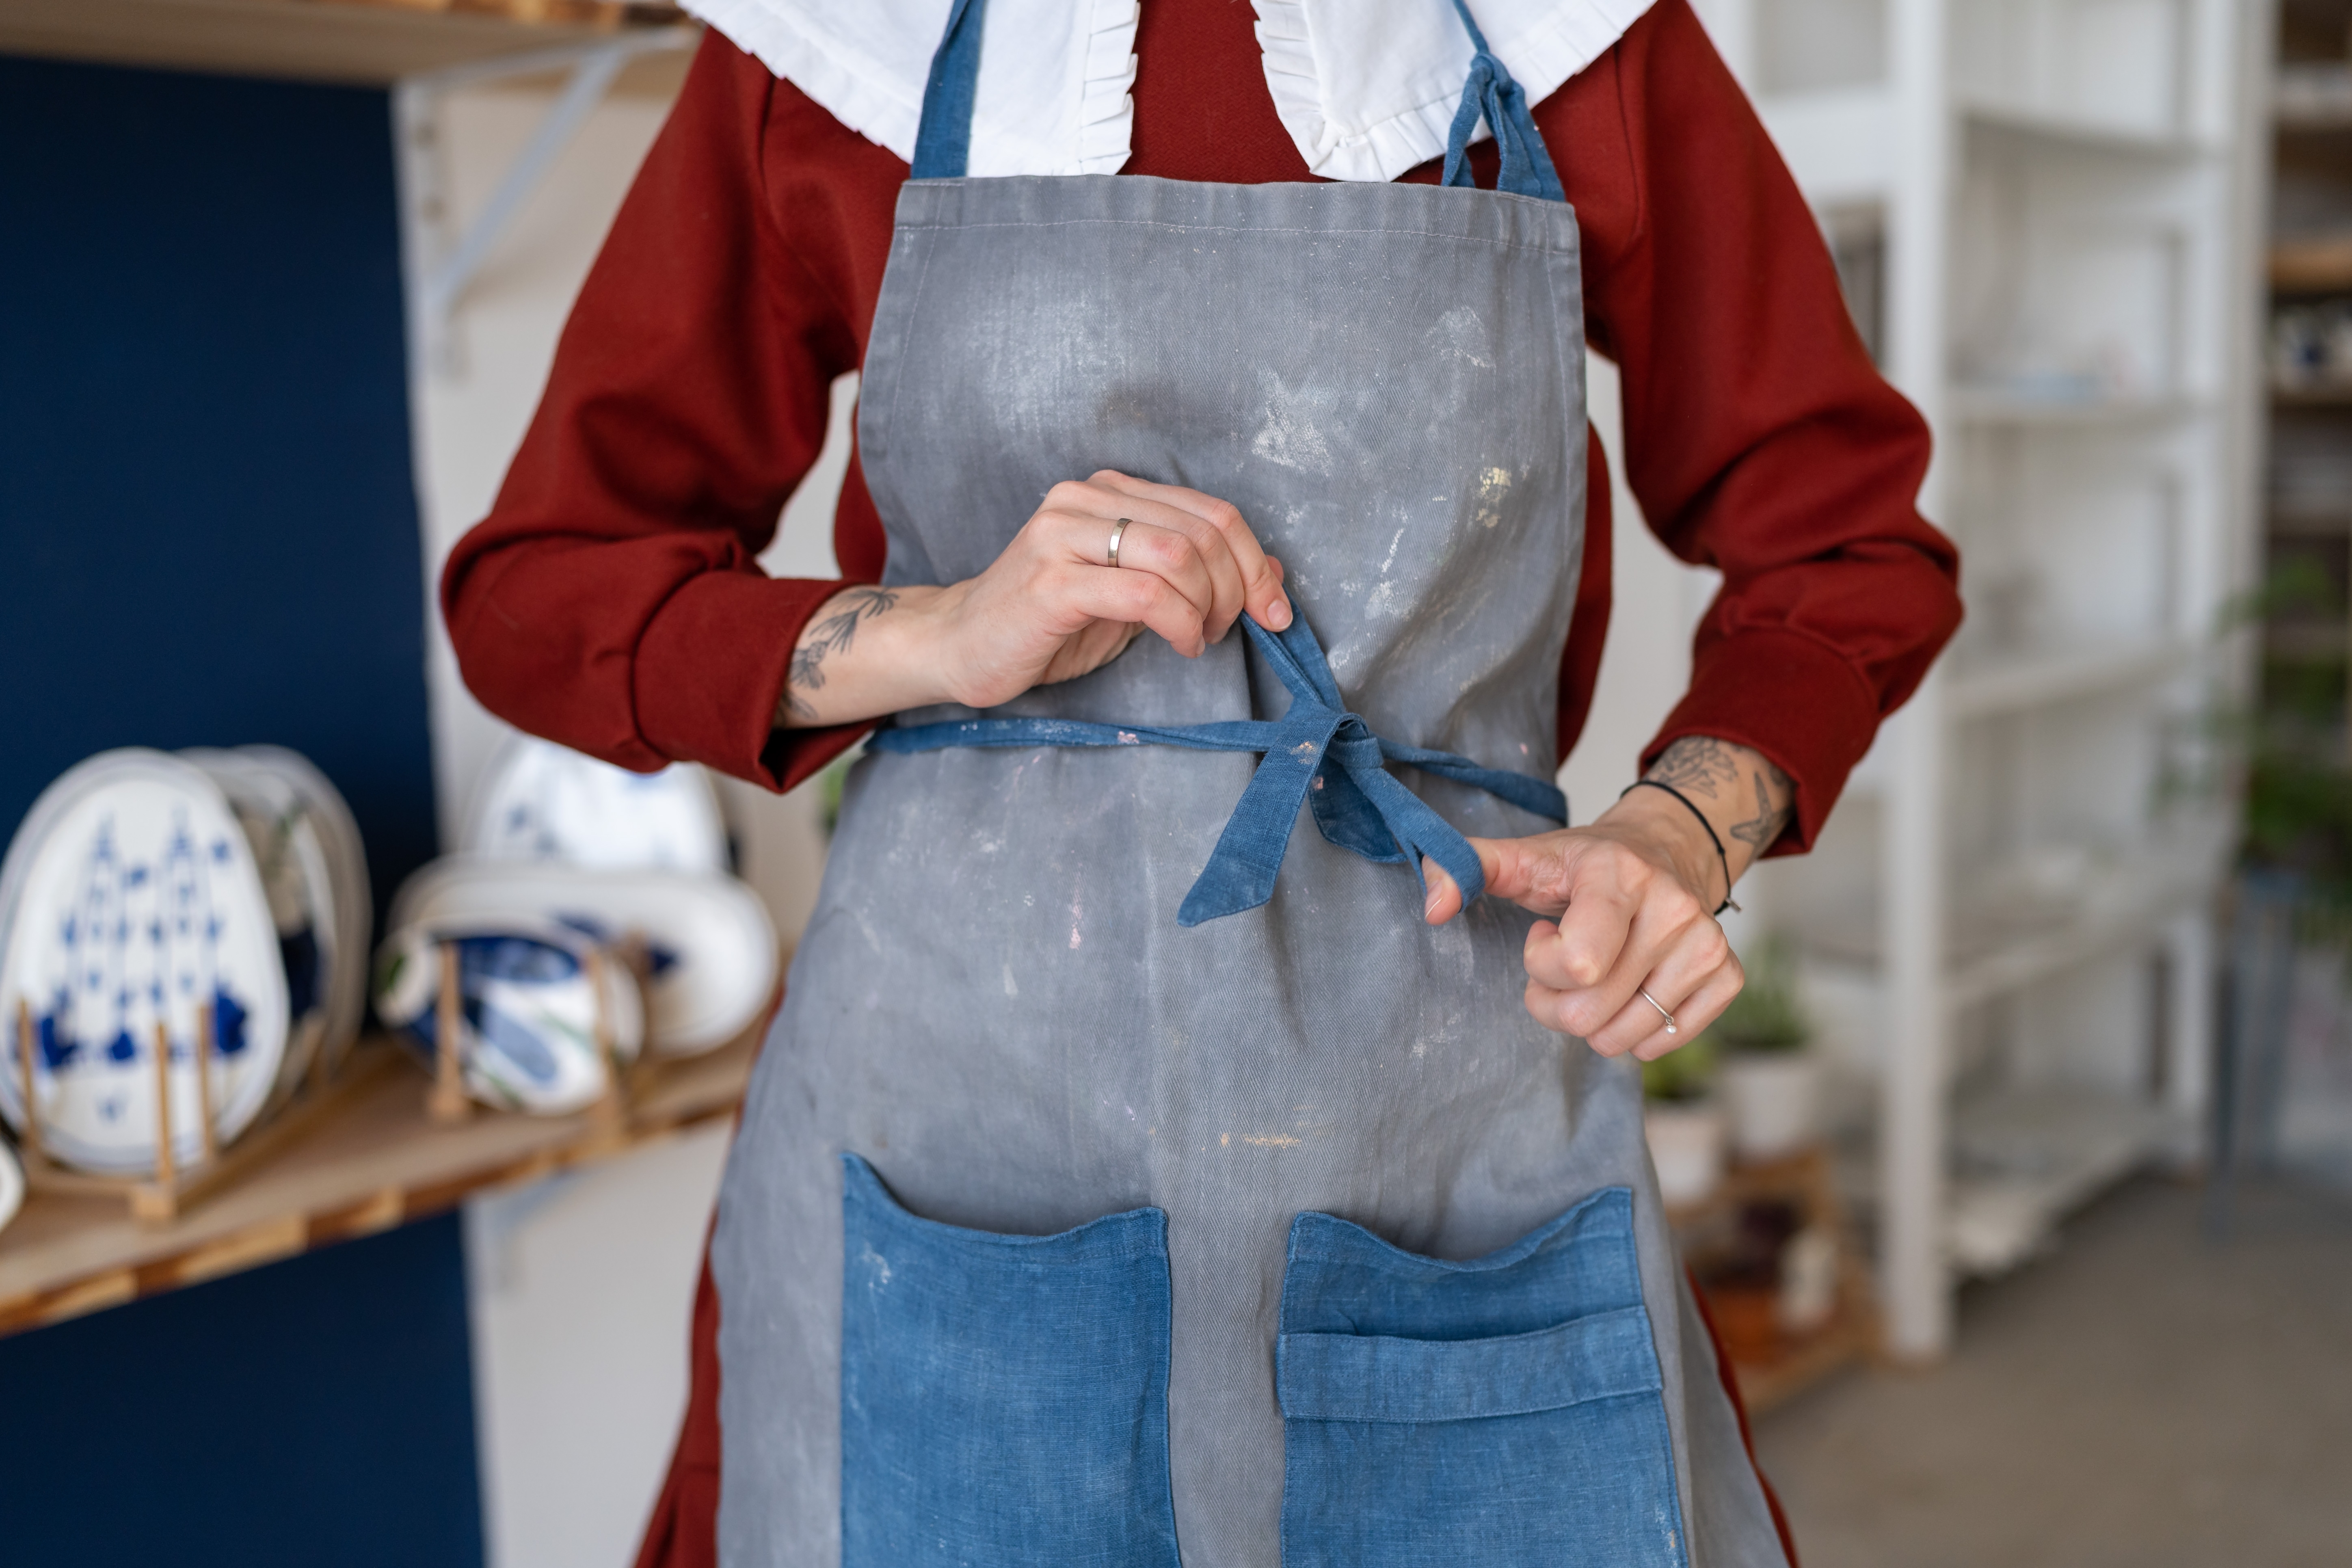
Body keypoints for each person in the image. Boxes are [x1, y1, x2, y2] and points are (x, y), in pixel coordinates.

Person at [444, 1, 1960, 1563]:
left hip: (1450, 1136)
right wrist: (939, 635)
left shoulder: (1575, 37)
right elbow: (541, 591)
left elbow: (1844, 547)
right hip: (955, 1138)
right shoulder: (837, 40)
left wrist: (1684, 829)